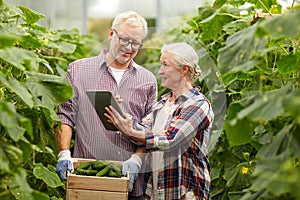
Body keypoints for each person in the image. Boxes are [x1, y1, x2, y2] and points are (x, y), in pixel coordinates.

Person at [55, 10, 158, 199]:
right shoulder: (79, 70)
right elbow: (65, 115)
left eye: (136, 43)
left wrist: (137, 158)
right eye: (125, 39)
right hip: (87, 179)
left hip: (132, 186)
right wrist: (64, 153)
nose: (129, 47)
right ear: (111, 34)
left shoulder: (148, 79)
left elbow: (150, 127)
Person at [105, 42, 214, 200]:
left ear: (184, 69)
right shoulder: (162, 104)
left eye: (165, 65)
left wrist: (129, 130)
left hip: (184, 193)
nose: (160, 71)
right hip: (156, 190)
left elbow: (171, 139)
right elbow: (143, 131)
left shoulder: (197, 104)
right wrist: (121, 115)